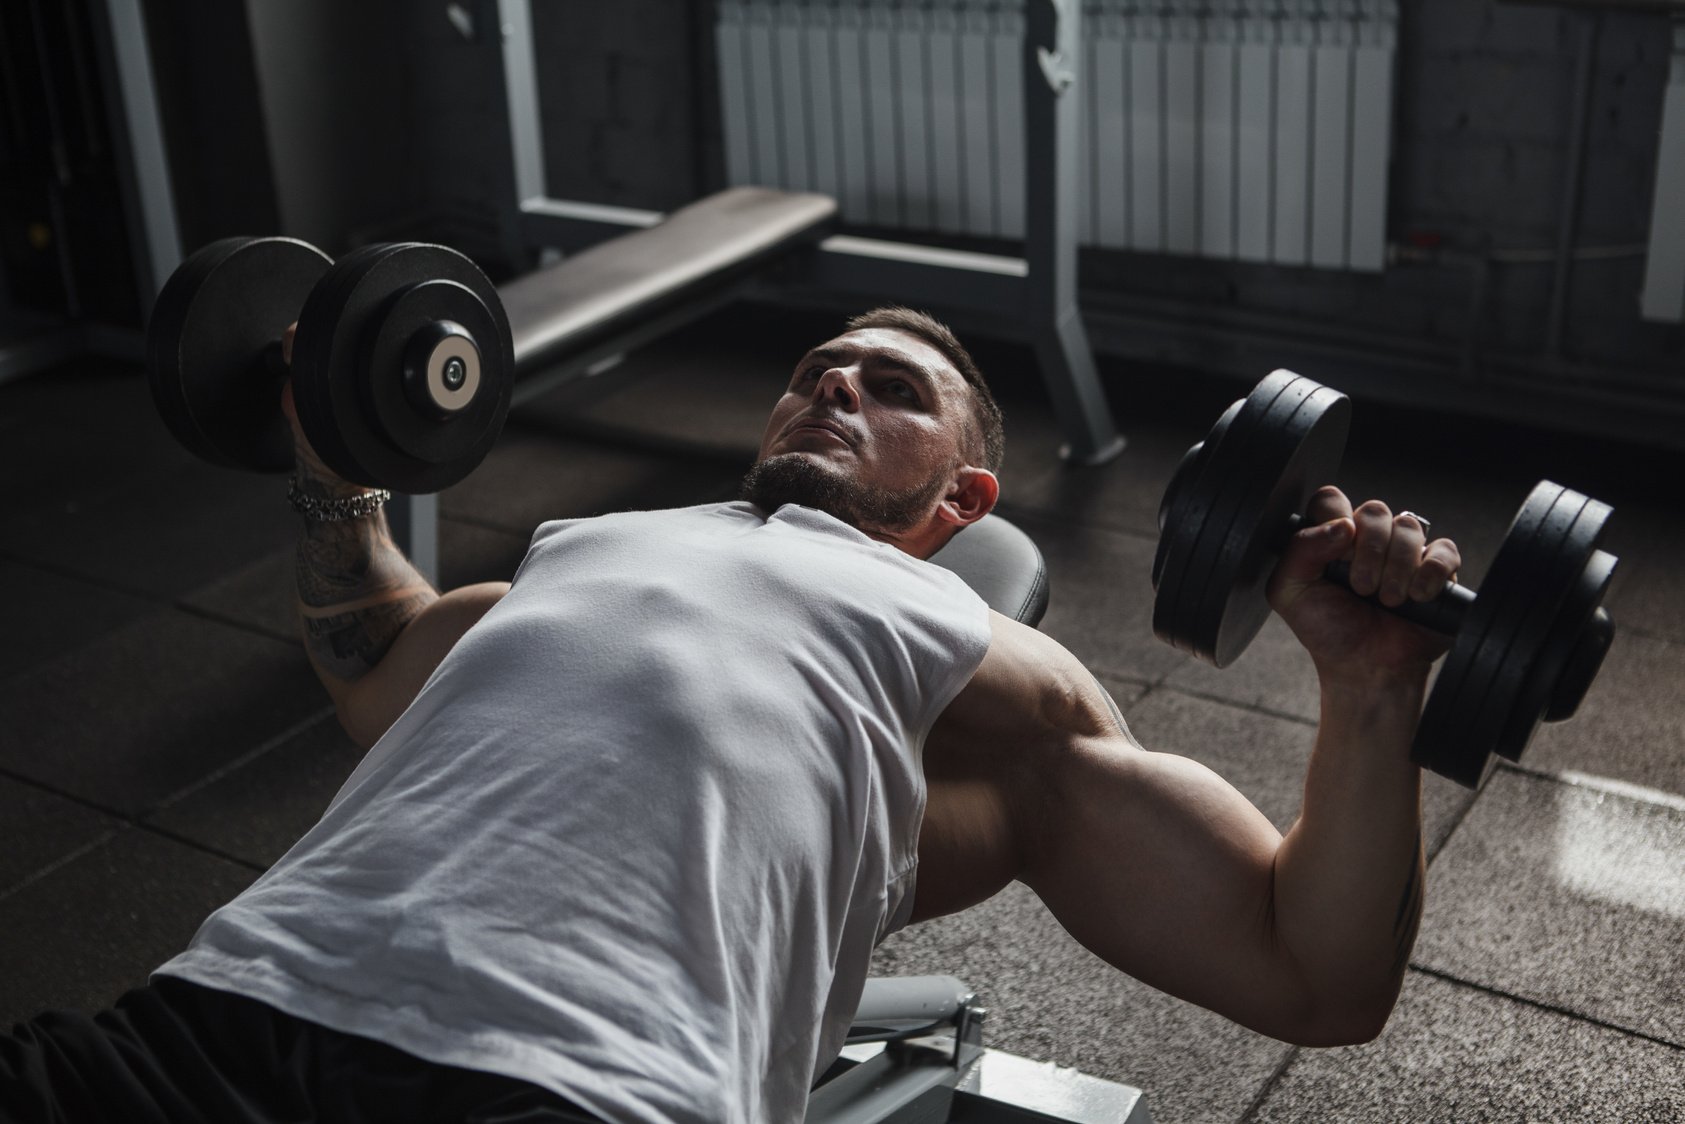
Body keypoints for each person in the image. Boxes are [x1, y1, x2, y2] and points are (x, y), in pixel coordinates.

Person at [1, 307, 1461, 1124]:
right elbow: (377, 656)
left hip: (579, 1088)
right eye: (815, 371)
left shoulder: (974, 658)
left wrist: (1371, 687)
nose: (834, 383)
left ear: (960, 503)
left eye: (892, 390)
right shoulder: (587, 548)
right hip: (213, 1024)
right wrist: (332, 457)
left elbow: (1307, 973)